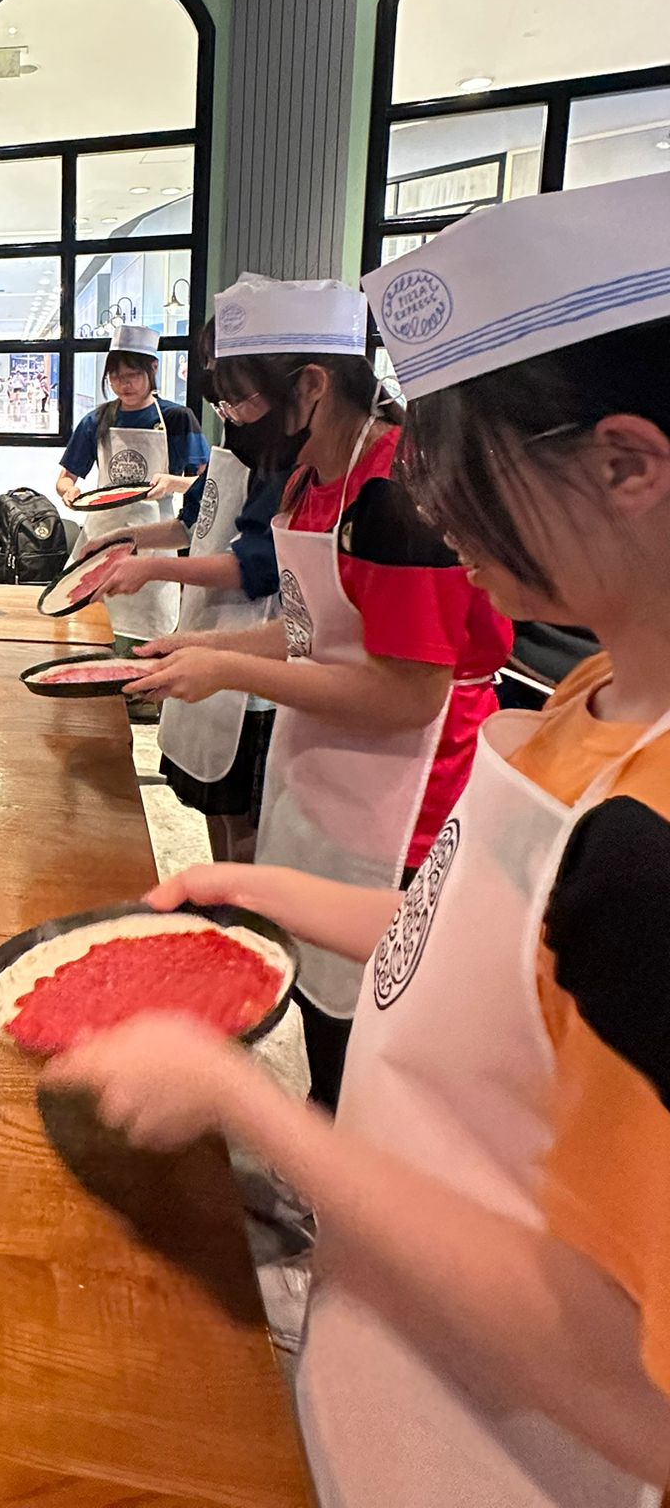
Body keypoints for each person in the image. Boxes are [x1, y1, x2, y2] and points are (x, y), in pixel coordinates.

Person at [52, 173, 670, 1505]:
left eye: (469, 474)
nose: (437, 514)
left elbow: (639, 1382)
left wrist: (250, 1106)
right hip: (386, 1380)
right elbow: (479, 959)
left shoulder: (652, 849)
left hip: (494, 1457)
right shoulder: (591, 700)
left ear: (628, 464)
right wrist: (246, 882)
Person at [124, 275, 510, 1105]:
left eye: (241, 401)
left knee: (365, 1038)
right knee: (306, 983)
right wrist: (200, 644)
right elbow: (310, 632)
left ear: (310, 386)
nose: (231, 422)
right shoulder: (307, 480)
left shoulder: (396, 499)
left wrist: (228, 668)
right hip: (326, 769)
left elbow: (409, 695)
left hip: (408, 801)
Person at [96, 319, 286, 860]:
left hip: (252, 655)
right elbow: (190, 523)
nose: (225, 407)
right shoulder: (234, 440)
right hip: (203, 628)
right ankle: (215, 894)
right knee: (211, 802)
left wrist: (154, 571)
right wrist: (126, 539)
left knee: (242, 814)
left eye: (233, 393)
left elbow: (254, 568)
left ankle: (231, 899)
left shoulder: (283, 460)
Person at [55, 325, 209, 643]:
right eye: (115, 376)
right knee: (87, 634)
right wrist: (69, 492)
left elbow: (206, 484)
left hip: (156, 540)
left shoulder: (177, 419)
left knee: (147, 638)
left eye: (133, 375)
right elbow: (65, 479)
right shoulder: (96, 420)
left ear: (153, 369)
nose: (123, 384)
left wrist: (173, 483)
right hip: (100, 536)